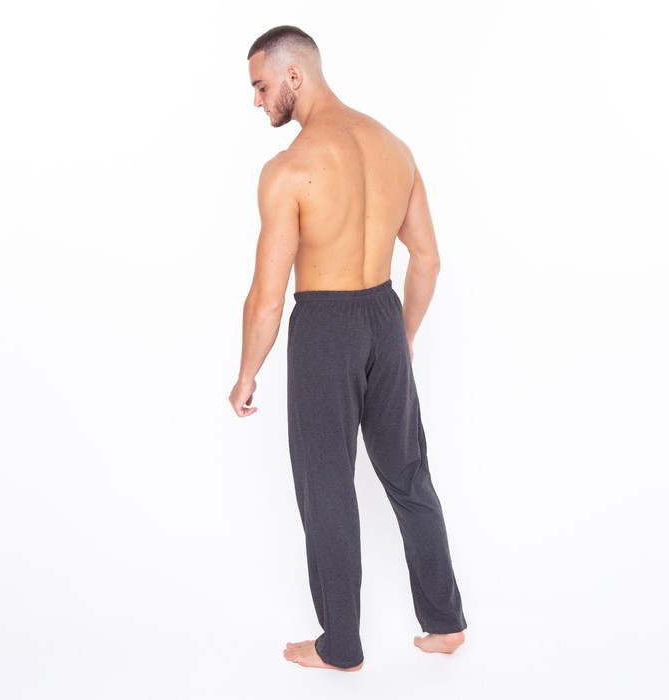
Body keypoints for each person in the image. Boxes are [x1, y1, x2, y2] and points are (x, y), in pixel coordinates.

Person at [229, 25, 467, 672]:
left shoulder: (288, 170)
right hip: (383, 313)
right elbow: (427, 258)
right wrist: (402, 335)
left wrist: (247, 373)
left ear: (294, 75)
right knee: (408, 473)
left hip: (326, 326)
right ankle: (445, 623)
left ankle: (341, 645)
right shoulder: (393, 147)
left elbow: (268, 296)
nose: (257, 100)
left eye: (261, 86)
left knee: (326, 484)